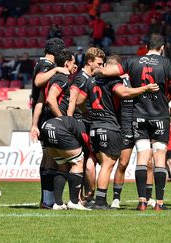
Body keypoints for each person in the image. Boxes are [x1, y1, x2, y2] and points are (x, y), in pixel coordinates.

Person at [94, 34, 171, 211]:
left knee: (142, 158)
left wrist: (95, 70)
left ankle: (142, 202)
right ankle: (159, 203)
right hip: (159, 117)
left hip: (139, 117)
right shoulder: (166, 64)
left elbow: (107, 71)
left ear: (146, 47)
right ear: (162, 48)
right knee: (159, 159)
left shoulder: (133, 61)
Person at [85, 55, 159, 210]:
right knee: (122, 164)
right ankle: (116, 199)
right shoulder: (114, 81)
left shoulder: (135, 77)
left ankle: (148, 197)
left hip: (141, 122)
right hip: (122, 125)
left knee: (149, 163)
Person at [29, 37, 68, 209]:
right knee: (52, 159)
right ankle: (49, 200)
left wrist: (34, 124)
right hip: (48, 118)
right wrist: (57, 69)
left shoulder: (41, 63)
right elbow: (39, 82)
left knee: (47, 158)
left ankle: (46, 199)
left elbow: (39, 98)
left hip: (42, 118)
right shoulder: (47, 65)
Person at [67, 47, 105, 204]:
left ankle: (82, 197)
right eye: (99, 63)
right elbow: (75, 101)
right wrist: (81, 116)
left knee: (86, 160)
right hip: (81, 123)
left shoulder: (88, 77)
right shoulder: (82, 78)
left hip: (85, 123)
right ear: (90, 61)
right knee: (87, 159)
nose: (102, 67)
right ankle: (87, 196)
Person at [40, 116, 89, 210]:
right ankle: (74, 202)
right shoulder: (85, 129)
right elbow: (85, 149)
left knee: (62, 165)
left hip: (46, 126)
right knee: (78, 162)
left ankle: (58, 204)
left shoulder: (77, 122)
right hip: (59, 129)